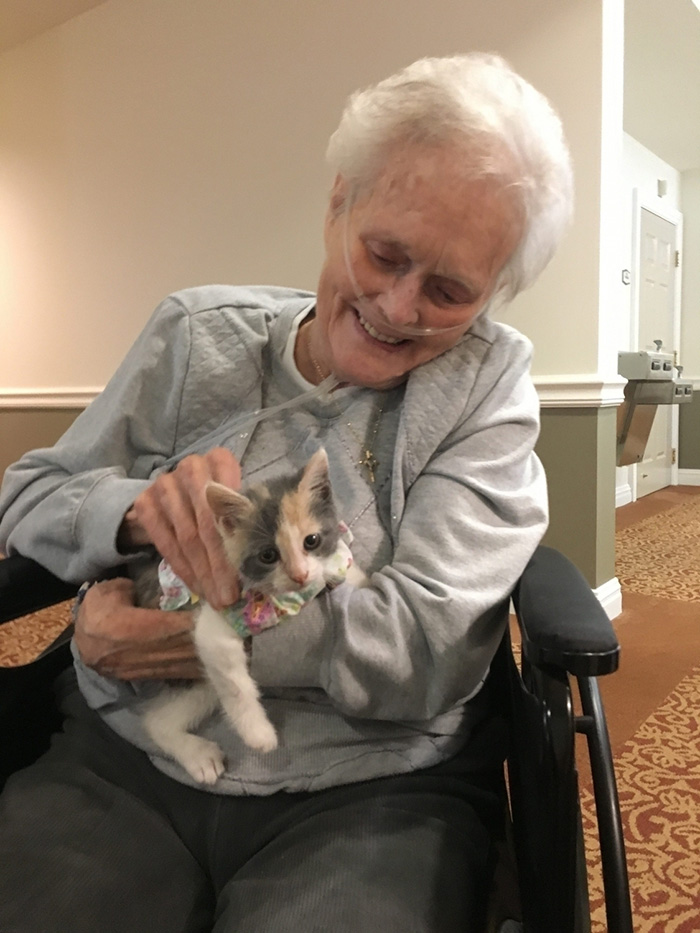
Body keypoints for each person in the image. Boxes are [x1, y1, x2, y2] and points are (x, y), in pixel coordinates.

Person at [0, 53, 573, 932]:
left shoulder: (486, 389)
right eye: (384, 253)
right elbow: (28, 492)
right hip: (128, 753)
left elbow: (421, 644)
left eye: (451, 290)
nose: (397, 305)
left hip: (370, 779)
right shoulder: (195, 336)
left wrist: (180, 642)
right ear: (337, 199)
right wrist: (129, 508)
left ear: (492, 296)